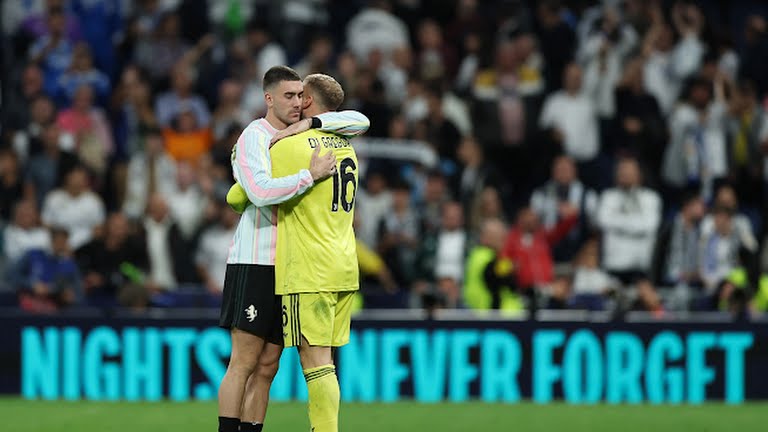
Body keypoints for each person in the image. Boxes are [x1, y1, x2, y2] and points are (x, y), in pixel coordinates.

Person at [218, 66, 369, 432]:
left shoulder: (305, 134)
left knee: (268, 365)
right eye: (289, 96)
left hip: (290, 266)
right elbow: (257, 191)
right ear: (268, 98)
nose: (298, 103)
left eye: (301, 95)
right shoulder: (256, 136)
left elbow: (359, 120)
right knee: (244, 361)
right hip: (255, 259)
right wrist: (308, 176)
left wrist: (312, 124)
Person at [270, 73, 360, 432]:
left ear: (307, 101)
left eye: (299, 96)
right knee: (328, 361)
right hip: (343, 264)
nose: (294, 102)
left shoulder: (290, 146)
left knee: (316, 362)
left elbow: (244, 192)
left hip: (310, 268)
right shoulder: (347, 144)